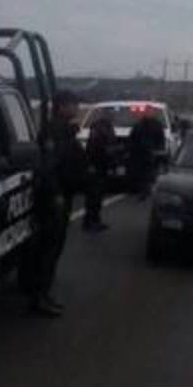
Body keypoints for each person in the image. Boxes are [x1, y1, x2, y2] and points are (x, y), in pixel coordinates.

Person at [30, 89, 84, 317]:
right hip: (54, 198)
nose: (77, 108)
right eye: (73, 104)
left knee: (52, 249)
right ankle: (39, 297)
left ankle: (43, 294)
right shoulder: (54, 131)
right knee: (48, 249)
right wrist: (56, 194)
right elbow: (49, 166)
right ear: (62, 106)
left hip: (63, 194)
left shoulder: (64, 130)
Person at [82, 116, 115, 231]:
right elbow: (98, 152)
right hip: (97, 168)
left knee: (97, 196)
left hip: (99, 167)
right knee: (94, 196)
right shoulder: (98, 136)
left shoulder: (96, 134)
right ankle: (90, 221)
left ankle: (94, 220)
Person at [127, 112, 165, 199]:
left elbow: (132, 138)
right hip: (149, 152)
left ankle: (141, 189)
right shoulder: (157, 126)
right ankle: (145, 189)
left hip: (139, 152)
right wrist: (159, 151)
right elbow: (161, 139)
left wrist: (130, 149)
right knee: (148, 171)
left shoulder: (138, 126)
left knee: (141, 172)